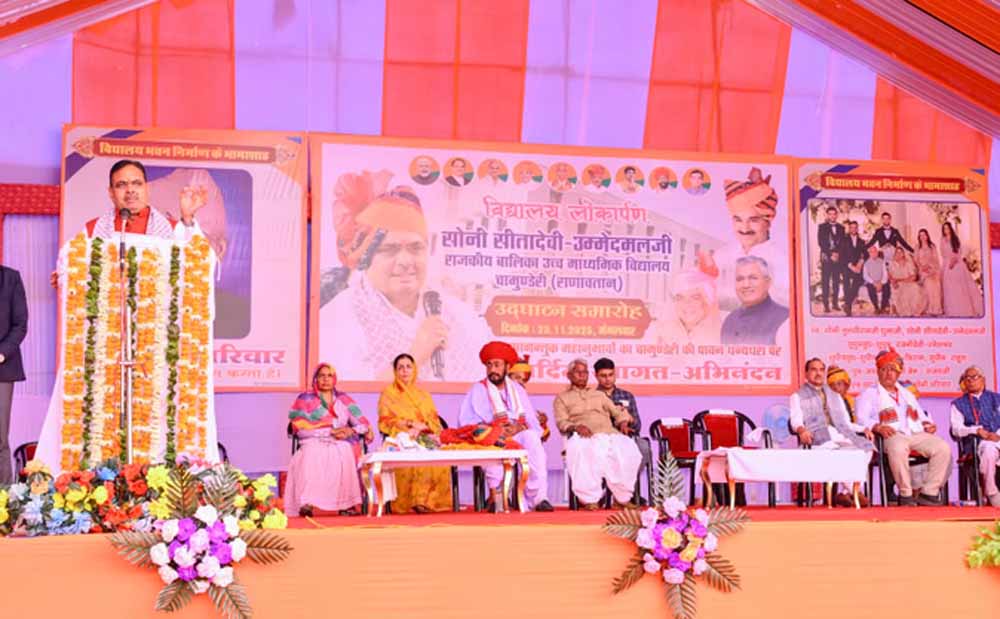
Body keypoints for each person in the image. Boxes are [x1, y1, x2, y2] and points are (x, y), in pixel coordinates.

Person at [320, 172, 490, 381]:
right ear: (366, 259)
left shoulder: (462, 317)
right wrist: (416, 355)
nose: (405, 261)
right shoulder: (339, 318)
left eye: (415, 248)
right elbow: (345, 395)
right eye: (389, 249)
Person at [50, 159, 208, 287]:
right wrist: (66, 276)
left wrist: (188, 217)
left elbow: (197, 263)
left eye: (137, 183)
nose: (130, 190)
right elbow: (74, 265)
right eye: (121, 185)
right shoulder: (93, 230)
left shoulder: (173, 229)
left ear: (147, 188)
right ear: (111, 193)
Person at [459, 342, 553, 511]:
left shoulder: (517, 389)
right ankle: (498, 497)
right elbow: (466, 421)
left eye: (497, 365)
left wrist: (519, 428)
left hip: (516, 432)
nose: (492, 370)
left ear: (507, 367)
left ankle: (538, 498)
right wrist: (495, 429)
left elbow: (530, 419)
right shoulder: (478, 389)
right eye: (489, 365)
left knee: (532, 438)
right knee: (495, 443)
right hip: (492, 435)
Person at [856, 349, 951, 506]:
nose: (888, 373)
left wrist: (927, 424)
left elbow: (920, 416)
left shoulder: (907, 394)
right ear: (878, 371)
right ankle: (906, 494)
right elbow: (861, 419)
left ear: (899, 373)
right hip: (890, 434)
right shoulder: (869, 394)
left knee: (942, 447)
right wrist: (877, 427)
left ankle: (929, 493)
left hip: (913, 433)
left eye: (892, 370)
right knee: (898, 447)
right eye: (884, 369)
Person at [286, 363, 373, 517]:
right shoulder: (305, 399)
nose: (326, 379)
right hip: (313, 440)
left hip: (339, 441)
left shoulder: (344, 400)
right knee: (311, 452)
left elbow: (363, 424)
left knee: (345, 450)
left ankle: (346, 504)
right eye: (322, 376)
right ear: (315, 379)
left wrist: (350, 430)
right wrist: (328, 432)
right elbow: (300, 430)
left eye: (329, 376)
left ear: (335, 379)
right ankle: (307, 503)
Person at [697, 167, 788, 311]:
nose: (745, 228)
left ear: (768, 222)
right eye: (738, 220)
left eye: (753, 220)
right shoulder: (721, 255)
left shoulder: (782, 259)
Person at [554, 359, 641, 510]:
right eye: (578, 372)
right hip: (583, 436)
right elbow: (561, 422)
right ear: (569, 375)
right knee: (583, 451)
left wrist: (623, 422)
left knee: (630, 451)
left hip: (608, 434)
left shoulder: (599, 395)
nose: (582, 375)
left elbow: (617, 412)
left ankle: (622, 498)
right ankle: (589, 499)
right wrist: (576, 427)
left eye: (585, 372)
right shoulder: (562, 398)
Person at [791, 359, 873, 507]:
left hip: (839, 434)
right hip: (817, 437)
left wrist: (863, 429)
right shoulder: (798, 396)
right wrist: (801, 430)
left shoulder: (834, 395)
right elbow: (796, 420)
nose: (818, 373)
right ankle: (855, 492)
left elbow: (846, 423)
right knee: (838, 452)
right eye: (814, 370)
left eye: (821, 370)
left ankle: (845, 493)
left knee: (867, 448)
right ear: (806, 373)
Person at [377, 353, 452, 513]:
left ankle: (429, 502)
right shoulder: (388, 394)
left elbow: (434, 421)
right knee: (412, 454)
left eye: (408, 367)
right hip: (402, 437)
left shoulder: (424, 395)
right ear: (395, 371)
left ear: (414, 369)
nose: (405, 371)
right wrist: (410, 424)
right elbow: (385, 421)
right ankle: (415, 502)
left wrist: (423, 427)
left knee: (437, 457)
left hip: (424, 435)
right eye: (401, 367)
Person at [593, 357, 650, 503]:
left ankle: (625, 491)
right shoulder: (591, 397)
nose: (607, 379)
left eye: (610, 375)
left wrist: (628, 419)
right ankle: (608, 492)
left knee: (644, 447)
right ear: (596, 376)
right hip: (603, 439)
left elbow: (638, 425)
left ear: (615, 374)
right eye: (603, 376)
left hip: (626, 438)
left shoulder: (626, 396)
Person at [950, 366, 1000, 507]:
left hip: (998, 438)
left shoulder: (997, 398)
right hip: (977, 443)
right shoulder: (958, 404)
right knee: (989, 450)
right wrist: (976, 430)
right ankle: (991, 492)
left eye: (974, 377)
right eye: (967, 378)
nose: (970, 380)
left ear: (983, 380)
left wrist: (997, 434)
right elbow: (956, 430)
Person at [720, 256, 789, 346]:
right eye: (740, 279)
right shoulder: (730, 321)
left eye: (753, 278)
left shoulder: (786, 319)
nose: (746, 285)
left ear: (768, 282)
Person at [0, 265, 27, 484]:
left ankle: (4, 495)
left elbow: (20, 324)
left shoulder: (10, 278)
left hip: (2, 368)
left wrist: (2, 353)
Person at [656, 269, 723, 346]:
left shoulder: (723, 336)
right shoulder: (663, 332)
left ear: (709, 301)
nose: (686, 304)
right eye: (680, 298)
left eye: (695, 297)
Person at [940, 221, 983, 317]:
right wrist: (949, 261)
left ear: (950, 229)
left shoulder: (955, 239)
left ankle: (964, 308)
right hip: (947, 264)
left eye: (947, 228)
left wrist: (954, 259)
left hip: (957, 263)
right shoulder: (942, 240)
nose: (946, 230)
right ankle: (952, 309)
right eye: (944, 228)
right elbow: (942, 253)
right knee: (949, 287)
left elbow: (959, 252)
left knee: (961, 287)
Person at [508, 356, 550, 442]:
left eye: (524, 380)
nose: (520, 382)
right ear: (508, 376)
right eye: (517, 378)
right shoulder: (499, 392)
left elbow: (544, 436)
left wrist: (541, 422)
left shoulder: (522, 394)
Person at [887, 242, 927, 317]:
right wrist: (893, 281)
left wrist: (902, 280)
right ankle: (904, 312)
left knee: (915, 287)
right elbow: (889, 275)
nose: (899, 254)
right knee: (901, 289)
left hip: (907, 282)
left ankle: (914, 311)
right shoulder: (892, 263)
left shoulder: (908, 263)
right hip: (897, 283)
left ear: (903, 254)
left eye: (900, 252)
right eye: (897, 252)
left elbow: (913, 277)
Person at [817, 205, 844, 313]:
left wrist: (837, 254)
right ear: (827, 215)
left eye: (834, 214)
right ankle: (826, 305)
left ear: (837, 215)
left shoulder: (841, 228)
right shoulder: (822, 227)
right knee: (825, 281)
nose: (832, 216)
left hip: (837, 258)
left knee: (836, 281)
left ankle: (835, 303)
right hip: (827, 258)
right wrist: (831, 254)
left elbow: (842, 243)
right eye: (830, 214)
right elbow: (821, 243)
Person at [838, 220, 866, 316]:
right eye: (851, 227)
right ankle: (848, 307)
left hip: (857, 266)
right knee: (846, 284)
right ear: (849, 229)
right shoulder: (843, 240)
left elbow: (865, 254)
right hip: (847, 266)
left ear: (857, 229)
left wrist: (860, 263)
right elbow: (841, 255)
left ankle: (847, 303)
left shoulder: (862, 241)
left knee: (858, 281)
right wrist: (850, 265)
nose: (853, 229)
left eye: (855, 227)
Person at [914, 228, 943, 315]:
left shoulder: (932, 246)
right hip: (922, 270)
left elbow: (936, 259)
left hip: (932, 269)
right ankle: (930, 308)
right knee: (929, 283)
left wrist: (932, 268)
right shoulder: (917, 247)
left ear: (927, 236)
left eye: (924, 235)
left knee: (936, 284)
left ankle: (937, 309)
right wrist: (922, 267)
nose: (922, 237)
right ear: (919, 237)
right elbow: (916, 260)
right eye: (920, 235)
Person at [862, 243, 890, 315]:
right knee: (870, 288)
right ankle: (876, 307)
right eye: (871, 252)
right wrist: (874, 282)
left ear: (877, 253)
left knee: (887, 288)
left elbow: (885, 274)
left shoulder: (882, 261)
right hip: (871, 282)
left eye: (875, 251)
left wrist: (881, 283)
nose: (873, 253)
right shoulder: (866, 263)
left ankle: (883, 307)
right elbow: (865, 276)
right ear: (869, 253)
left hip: (881, 281)